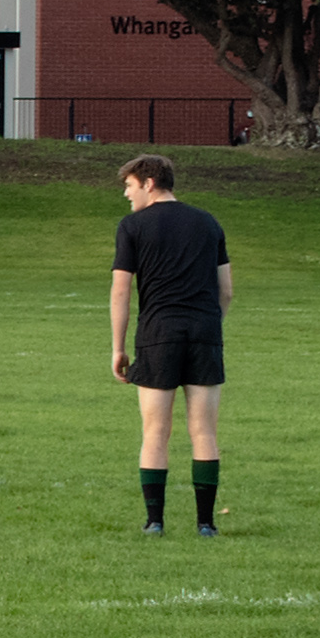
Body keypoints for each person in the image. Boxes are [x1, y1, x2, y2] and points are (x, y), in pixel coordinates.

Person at [111, 154, 231, 534]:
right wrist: (209, 326)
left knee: (155, 431)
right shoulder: (209, 222)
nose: (127, 195)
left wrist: (118, 347)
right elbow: (225, 291)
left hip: (158, 334)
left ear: (148, 182)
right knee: (204, 431)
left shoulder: (132, 226)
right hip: (204, 333)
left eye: (129, 186)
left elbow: (121, 291)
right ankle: (206, 523)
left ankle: (154, 521)